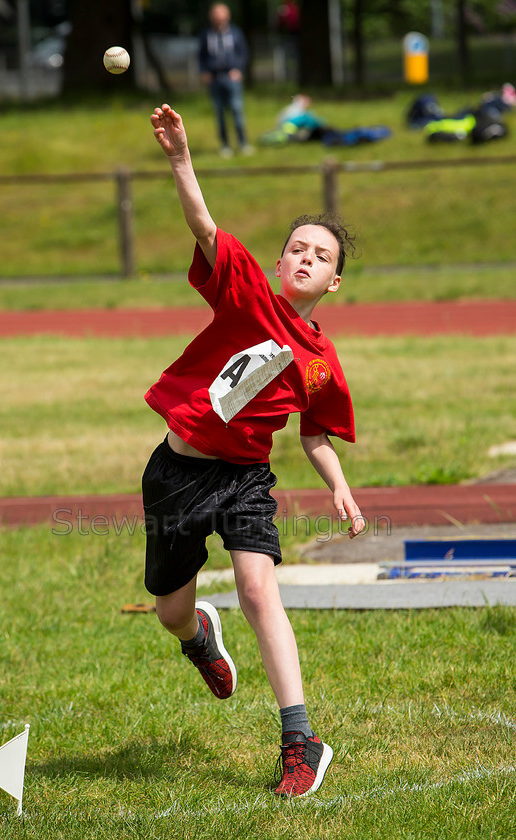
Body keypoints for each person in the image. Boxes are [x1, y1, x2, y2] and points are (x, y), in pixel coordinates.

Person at [143, 103, 365, 798]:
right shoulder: (245, 296)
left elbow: (315, 430)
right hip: (177, 471)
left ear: (333, 282)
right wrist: (182, 160)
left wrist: (337, 484)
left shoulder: (321, 361)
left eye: (321, 255)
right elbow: (205, 229)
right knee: (171, 611)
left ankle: (300, 740)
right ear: (276, 263)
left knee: (257, 586)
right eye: (298, 248)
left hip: (244, 479)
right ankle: (199, 638)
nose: (307, 257)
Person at [198, 3, 253, 157]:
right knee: (220, 113)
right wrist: (204, 72)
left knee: (236, 109)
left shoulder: (235, 33)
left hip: (232, 77)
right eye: (216, 13)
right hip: (214, 78)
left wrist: (239, 70)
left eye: (221, 13)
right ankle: (225, 145)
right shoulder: (206, 34)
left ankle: (243, 143)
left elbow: (243, 53)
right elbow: (201, 56)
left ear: (227, 15)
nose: (219, 16)